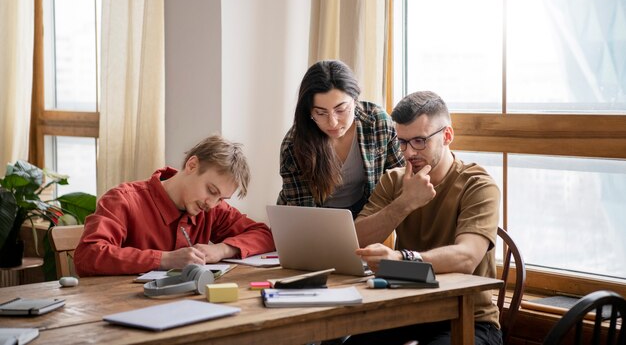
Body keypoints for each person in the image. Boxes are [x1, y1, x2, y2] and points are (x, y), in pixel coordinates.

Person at [348, 91, 502, 345]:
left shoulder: (478, 184)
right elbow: (355, 240)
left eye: (420, 141)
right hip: (407, 311)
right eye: (403, 142)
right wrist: (405, 203)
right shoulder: (395, 180)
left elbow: (466, 258)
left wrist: (401, 260)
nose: (409, 153)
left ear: (447, 136)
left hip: (470, 320)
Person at [74, 134, 275, 276]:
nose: (212, 204)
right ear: (192, 165)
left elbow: (264, 235)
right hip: (120, 312)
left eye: (222, 199)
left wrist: (221, 250)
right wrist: (164, 260)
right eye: (212, 191)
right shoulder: (122, 200)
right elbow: (88, 255)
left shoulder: (212, 209)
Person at [278, 60, 404, 217]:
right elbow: (304, 214)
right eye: (321, 113)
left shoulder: (377, 123)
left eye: (341, 109)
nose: (333, 122)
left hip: (365, 211)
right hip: (312, 216)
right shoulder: (294, 144)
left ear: (355, 100)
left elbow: (399, 179)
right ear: (309, 111)